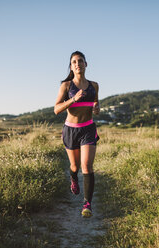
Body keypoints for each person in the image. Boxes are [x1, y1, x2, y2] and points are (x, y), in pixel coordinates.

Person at [54, 51, 100, 218]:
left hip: (88, 129)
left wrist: (96, 108)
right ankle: (73, 178)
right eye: (74, 62)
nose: (77, 64)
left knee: (87, 166)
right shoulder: (66, 86)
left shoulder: (94, 85)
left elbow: (96, 105)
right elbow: (56, 109)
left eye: (80, 61)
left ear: (86, 64)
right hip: (71, 130)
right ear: (71, 66)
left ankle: (87, 204)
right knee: (75, 167)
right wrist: (73, 99)